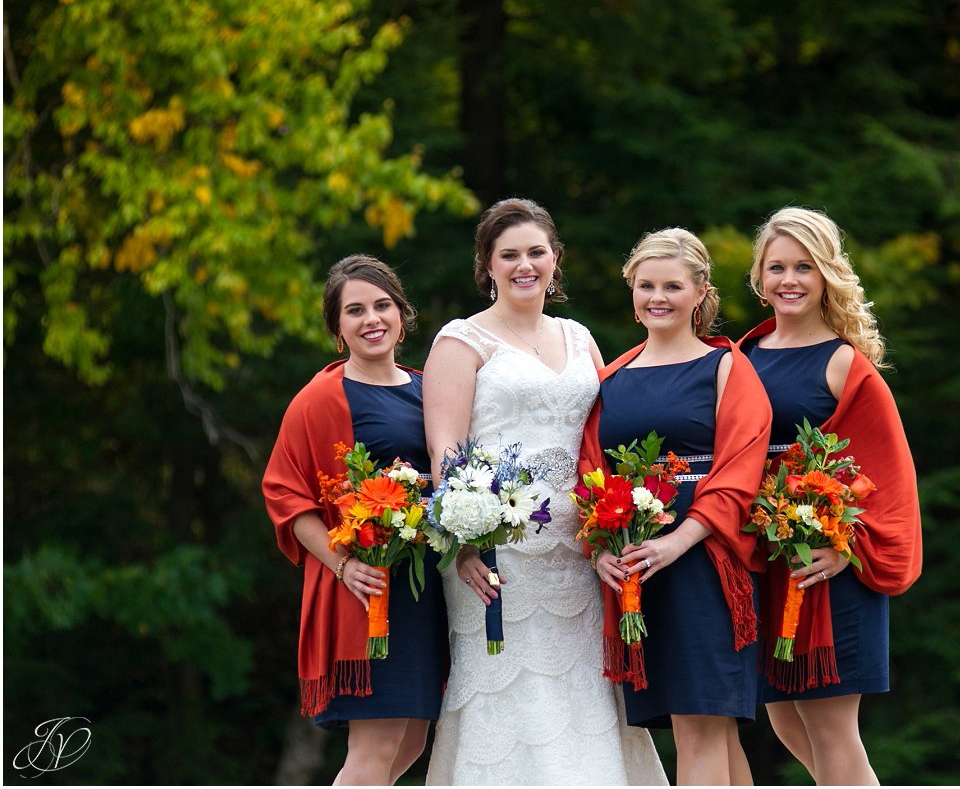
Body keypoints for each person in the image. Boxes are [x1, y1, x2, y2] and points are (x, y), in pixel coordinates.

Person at [422, 198, 666, 785]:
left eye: (536, 252)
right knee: (508, 691)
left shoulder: (580, 339)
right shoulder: (460, 342)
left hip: (582, 554)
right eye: (509, 255)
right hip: (500, 559)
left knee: (585, 694)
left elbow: (600, 443)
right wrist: (463, 547)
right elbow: (446, 451)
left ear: (556, 259)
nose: (524, 265)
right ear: (487, 264)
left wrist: (616, 527)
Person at [578, 228, 771, 786]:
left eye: (672, 286)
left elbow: (742, 467)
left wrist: (678, 540)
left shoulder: (726, 367)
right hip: (638, 562)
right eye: (645, 285)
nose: (657, 297)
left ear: (700, 292)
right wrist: (598, 552)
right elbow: (591, 471)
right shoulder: (612, 378)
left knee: (702, 721)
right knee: (709, 729)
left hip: (705, 560)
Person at [738, 207, 922, 785]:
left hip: (829, 571)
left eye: (803, 267)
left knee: (831, 726)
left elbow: (887, 474)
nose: (788, 280)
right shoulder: (742, 356)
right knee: (784, 717)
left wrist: (848, 548)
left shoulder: (846, 364)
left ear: (826, 277)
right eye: (776, 267)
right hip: (767, 564)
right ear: (759, 279)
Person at [262, 255, 448, 784]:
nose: (372, 319)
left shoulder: (427, 387)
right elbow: (285, 493)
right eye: (355, 310)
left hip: (424, 588)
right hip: (367, 591)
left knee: (411, 738)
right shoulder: (321, 398)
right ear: (337, 328)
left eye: (382, 305)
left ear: (402, 314)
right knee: (377, 743)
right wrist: (343, 566)